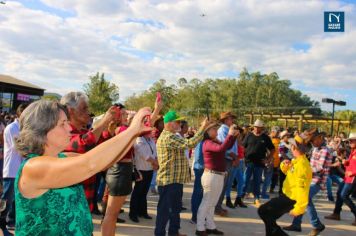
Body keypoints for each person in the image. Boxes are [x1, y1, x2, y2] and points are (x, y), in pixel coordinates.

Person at [13, 100, 151, 235]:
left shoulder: (62, 157)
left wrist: (134, 133)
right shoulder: (34, 167)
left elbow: (103, 163)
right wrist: (131, 130)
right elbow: (89, 164)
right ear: (43, 129)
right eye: (63, 124)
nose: (68, 128)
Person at [102, 99, 162, 236]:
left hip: (123, 169)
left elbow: (146, 126)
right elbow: (145, 126)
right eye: (123, 114)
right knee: (111, 215)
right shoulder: (122, 130)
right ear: (118, 117)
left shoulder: (122, 129)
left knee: (112, 214)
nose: (126, 116)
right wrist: (154, 111)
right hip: (120, 169)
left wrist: (156, 110)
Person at [154, 110, 209, 236]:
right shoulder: (169, 136)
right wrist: (202, 127)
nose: (180, 124)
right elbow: (190, 143)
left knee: (174, 210)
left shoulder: (173, 135)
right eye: (177, 121)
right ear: (169, 123)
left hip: (174, 180)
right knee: (165, 212)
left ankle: (173, 232)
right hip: (169, 181)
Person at [60, 92, 116, 213]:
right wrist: (104, 122)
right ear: (70, 110)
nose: (88, 112)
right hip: (70, 205)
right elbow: (84, 144)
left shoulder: (84, 131)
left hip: (84, 203)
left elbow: (105, 150)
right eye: (84, 108)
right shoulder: (63, 132)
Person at [258, 132, 312, 236]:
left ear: (294, 147)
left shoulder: (302, 165)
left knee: (264, 211)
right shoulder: (297, 161)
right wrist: (284, 165)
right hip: (288, 195)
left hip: (291, 198)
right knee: (267, 215)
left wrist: (299, 208)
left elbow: (302, 189)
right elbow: (290, 174)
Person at [283, 129, 332, 236]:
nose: (313, 142)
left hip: (318, 181)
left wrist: (305, 171)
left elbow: (320, 168)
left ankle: (317, 225)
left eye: (314, 140)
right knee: (302, 198)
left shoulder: (325, 150)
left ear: (320, 138)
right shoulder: (315, 149)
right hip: (310, 180)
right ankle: (297, 224)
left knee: (305, 198)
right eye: (312, 141)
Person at [196, 122, 238, 236]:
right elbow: (221, 149)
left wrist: (233, 136)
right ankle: (200, 228)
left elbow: (226, 146)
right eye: (213, 129)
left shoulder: (214, 141)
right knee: (206, 202)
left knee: (212, 203)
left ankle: (210, 226)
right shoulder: (207, 143)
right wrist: (230, 135)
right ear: (207, 132)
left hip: (217, 175)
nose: (216, 131)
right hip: (211, 176)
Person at [0, 104, 27, 236]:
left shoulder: (23, 128)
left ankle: (11, 222)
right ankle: (2, 225)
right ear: (19, 114)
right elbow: (20, 149)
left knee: (17, 200)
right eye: (26, 113)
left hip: (21, 170)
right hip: (11, 170)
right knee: (6, 200)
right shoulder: (12, 128)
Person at [324, 132, 356, 226]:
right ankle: (336, 213)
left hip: (352, 178)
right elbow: (350, 164)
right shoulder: (353, 151)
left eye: (352, 140)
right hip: (347, 177)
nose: (350, 142)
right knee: (339, 193)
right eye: (349, 141)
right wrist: (345, 162)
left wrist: (353, 172)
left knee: (344, 195)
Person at [242, 119, 275, 207]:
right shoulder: (249, 135)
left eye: (259, 127)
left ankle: (257, 198)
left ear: (262, 128)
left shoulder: (265, 137)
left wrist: (268, 159)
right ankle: (240, 197)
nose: (256, 129)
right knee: (245, 180)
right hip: (248, 162)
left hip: (259, 163)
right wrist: (242, 157)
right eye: (256, 127)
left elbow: (272, 149)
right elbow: (243, 147)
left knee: (257, 181)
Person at [129, 131, 159, 222]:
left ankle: (142, 212)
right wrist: (155, 163)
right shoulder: (139, 140)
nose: (151, 131)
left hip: (149, 169)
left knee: (144, 192)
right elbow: (145, 156)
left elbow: (155, 153)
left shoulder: (150, 140)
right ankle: (133, 213)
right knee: (137, 192)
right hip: (141, 169)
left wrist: (155, 162)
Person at [215, 111, 238, 214]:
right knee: (221, 185)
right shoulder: (222, 130)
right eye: (230, 118)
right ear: (226, 120)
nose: (232, 120)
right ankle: (217, 207)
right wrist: (235, 157)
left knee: (224, 185)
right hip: (225, 159)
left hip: (228, 159)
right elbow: (225, 147)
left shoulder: (228, 130)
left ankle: (218, 205)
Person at [190, 141, 204, 224]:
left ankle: (200, 215)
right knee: (198, 193)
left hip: (203, 169)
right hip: (200, 170)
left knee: (202, 194)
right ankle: (194, 216)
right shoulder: (201, 142)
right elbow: (198, 158)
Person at [268, 127, 280, 194]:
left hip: (277, 162)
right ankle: (266, 188)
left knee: (275, 176)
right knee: (268, 176)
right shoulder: (268, 139)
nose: (277, 133)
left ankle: (272, 188)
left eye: (278, 132)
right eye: (276, 132)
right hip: (269, 161)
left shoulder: (279, 141)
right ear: (272, 132)